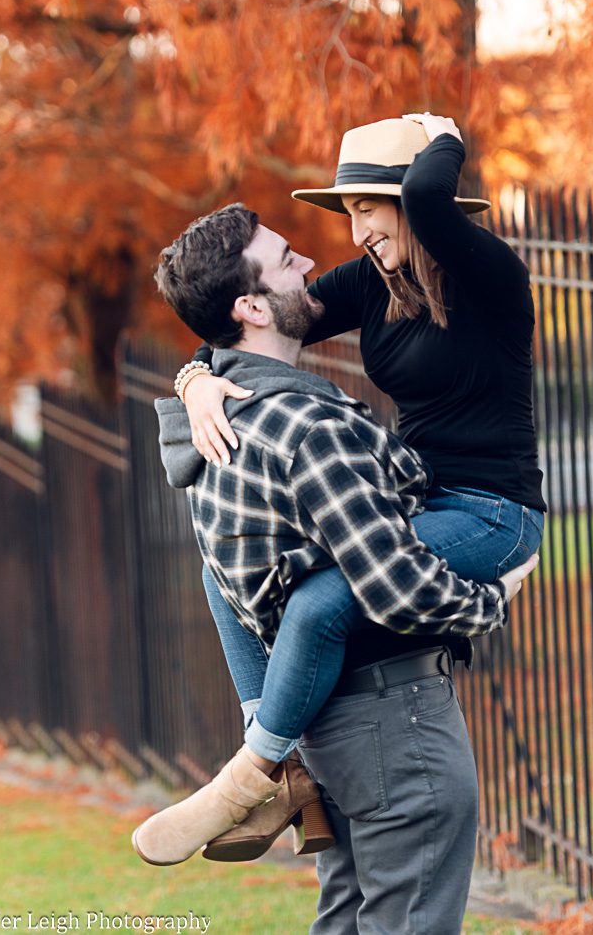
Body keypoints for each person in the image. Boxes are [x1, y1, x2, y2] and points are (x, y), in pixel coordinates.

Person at [133, 201, 538, 934]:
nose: (312, 263)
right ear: (251, 304)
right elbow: (392, 581)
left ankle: (263, 756)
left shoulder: (217, 429)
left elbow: (221, 580)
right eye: (288, 259)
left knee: (345, 921)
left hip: (323, 733)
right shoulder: (310, 427)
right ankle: (252, 770)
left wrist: (195, 376)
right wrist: (490, 603)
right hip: (393, 726)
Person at [176, 113, 545, 785]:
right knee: (222, 566)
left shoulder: (490, 278)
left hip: (492, 511)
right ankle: (278, 753)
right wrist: (196, 378)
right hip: (419, 505)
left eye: (369, 208)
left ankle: (255, 773)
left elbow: (435, 200)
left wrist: (446, 136)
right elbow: (251, 313)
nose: (357, 233)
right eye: (349, 213)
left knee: (321, 600)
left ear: (410, 201)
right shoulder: (372, 286)